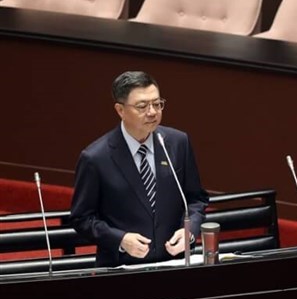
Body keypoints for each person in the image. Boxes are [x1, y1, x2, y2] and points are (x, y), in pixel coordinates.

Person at [70, 72, 209, 267]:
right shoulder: (95, 158)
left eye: (157, 104)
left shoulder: (178, 143)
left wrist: (190, 230)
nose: (152, 112)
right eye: (142, 106)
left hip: (175, 264)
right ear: (120, 110)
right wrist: (120, 239)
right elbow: (82, 218)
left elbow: (196, 199)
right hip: (122, 268)